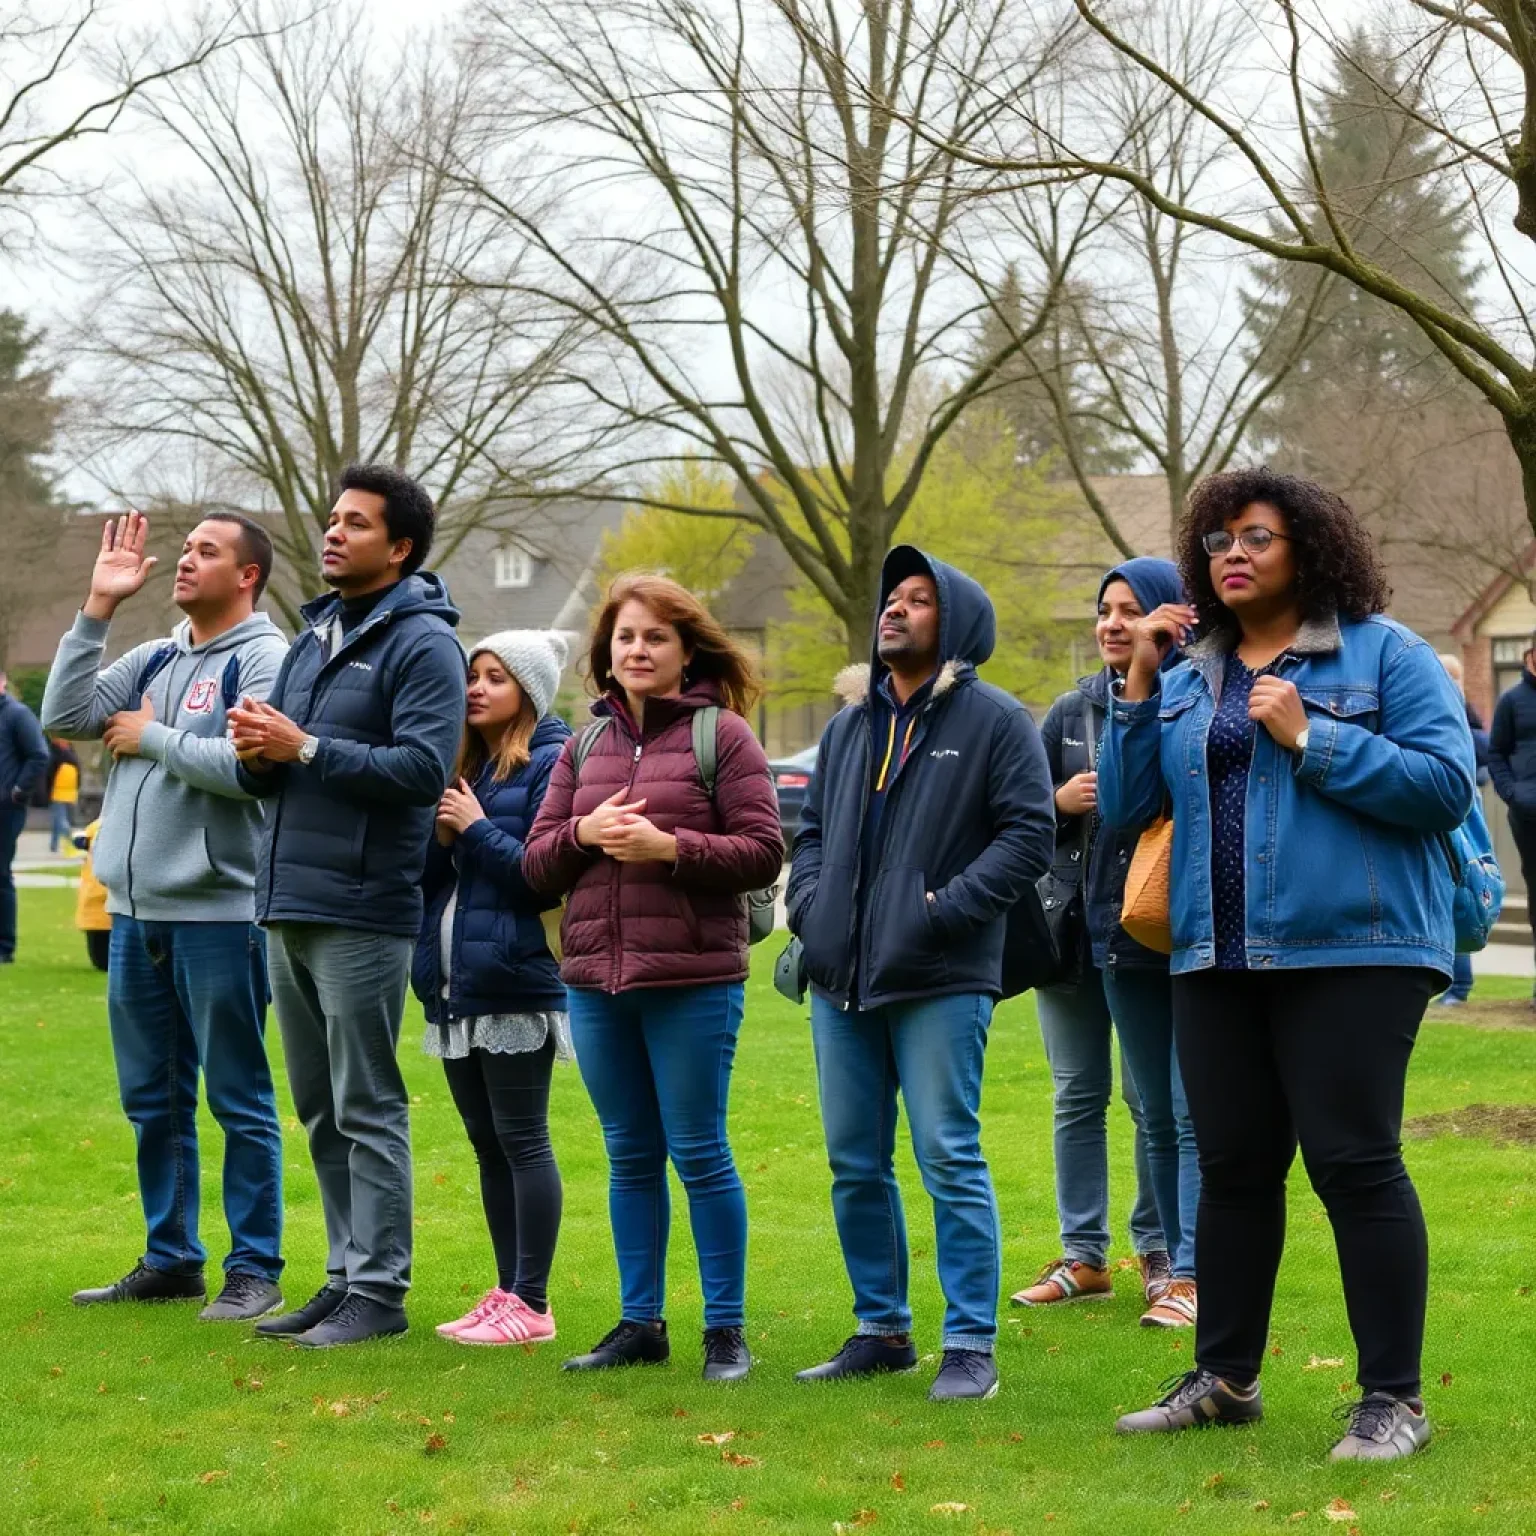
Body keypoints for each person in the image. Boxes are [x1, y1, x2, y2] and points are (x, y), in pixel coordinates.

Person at [1099, 468, 1474, 1461]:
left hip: (1355, 947)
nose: (1233, 553)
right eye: (1218, 539)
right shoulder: (1188, 677)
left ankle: (1395, 1399)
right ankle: (1225, 1380)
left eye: (1256, 536)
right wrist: (1136, 683)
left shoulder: (1383, 656)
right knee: (1230, 1168)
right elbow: (1132, 808)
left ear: (1308, 547)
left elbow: (1443, 788)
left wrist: (1313, 737)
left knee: (1354, 1162)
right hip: (1214, 954)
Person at [786, 546, 1056, 1402]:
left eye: (919, 601)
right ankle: (882, 1330)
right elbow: (812, 834)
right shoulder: (847, 726)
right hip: (842, 977)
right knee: (854, 1159)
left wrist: (939, 911)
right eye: (890, 599)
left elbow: (1028, 838)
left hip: (942, 975)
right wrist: (813, 906)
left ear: (959, 624)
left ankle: (970, 1342)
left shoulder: (997, 722)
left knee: (947, 1153)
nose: (894, 611)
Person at [228, 464, 466, 1349]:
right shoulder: (312, 635)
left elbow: (421, 772)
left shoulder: (423, 644)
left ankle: (382, 1291)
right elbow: (279, 766)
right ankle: (341, 1277)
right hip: (287, 897)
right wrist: (257, 749)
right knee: (320, 1107)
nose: (332, 533)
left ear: (399, 548)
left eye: (355, 523)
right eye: (331, 519)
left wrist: (306, 746)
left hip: (364, 906)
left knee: (367, 1104)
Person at [523, 573, 783, 1383]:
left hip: (694, 981)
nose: (638, 650)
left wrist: (672, 850)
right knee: (629, 1154)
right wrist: (583, 833)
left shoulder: (725, 737)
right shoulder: (582, 745)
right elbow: (533, 867)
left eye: (655, 638)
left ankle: (725, 1333)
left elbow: (764, 851)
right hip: (595, 982)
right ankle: (641, 1324)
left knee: (700, 1152)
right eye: (626, 637)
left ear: (685, 651)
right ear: (607, 652)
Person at [41, 510, 290, 1319]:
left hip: (219, 913)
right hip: (135, 913)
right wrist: (97, 608)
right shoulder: (153, 655)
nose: (183, 561)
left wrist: (155, 737)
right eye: (184, 549)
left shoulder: (266, 657)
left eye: (205, 552)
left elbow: (252, 771)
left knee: (237, 1097)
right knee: (152, 1098)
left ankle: (253, 1267)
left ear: (247, 574)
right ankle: (171, 1258)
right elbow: (64, 716)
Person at [1012, 558, 1200, 1329]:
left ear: (1166, 617)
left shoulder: (1189, 700)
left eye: (1130, 609)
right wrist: (1056, 802)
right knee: (1076, 1097)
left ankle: (1166, 1258)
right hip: (1069, 936)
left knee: (1157, 1105)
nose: (1112, 623)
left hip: (1151, 931)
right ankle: (1084, 1256)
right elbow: (1018, 819)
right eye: (1104, 610)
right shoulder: (1068, 712)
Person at [412, 630, 572, 1348]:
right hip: (456, 982)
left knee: (523, 1140)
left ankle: (533, 1302)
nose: (475, 687)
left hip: (513, 980)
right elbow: (426, 880)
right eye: (473, 674)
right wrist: (443, 841)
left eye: (495, 677)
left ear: (530, 692)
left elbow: (543, 872)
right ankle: (507, 1290)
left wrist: (474, 830)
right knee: (485, 1145)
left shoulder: (550, 765)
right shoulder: (468, 767)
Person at [1486, 638, 1536, 999]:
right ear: (1530, 657)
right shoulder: (1512, 701)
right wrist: (1512, 794)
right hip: (1528, 814)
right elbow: (1496, 753)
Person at [1436, 653, 1485, 1006]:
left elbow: (1481, 748)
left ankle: (1460, 983)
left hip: (1462, 807)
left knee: (1460, 885)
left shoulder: (1458, 711)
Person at [0, 668, 49, 964]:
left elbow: (39, 754)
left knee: (0, 875)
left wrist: (18, 791)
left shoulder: (17, 715)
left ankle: (5, 947)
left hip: (6, 809)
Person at [45, 738, 81, 853]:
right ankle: (71, 842)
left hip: (70, 793)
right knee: (60, 821)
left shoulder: (68, 754)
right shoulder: (56, 755)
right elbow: (49, 775)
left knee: (60, 821)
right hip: (58, 793)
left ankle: (54, 845)